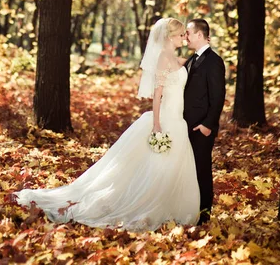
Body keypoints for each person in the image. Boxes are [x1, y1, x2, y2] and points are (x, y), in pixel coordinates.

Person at [14, 18, 200, 231]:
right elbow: (157, 95)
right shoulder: (162, 59)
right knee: (157, 165)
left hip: (179, 121)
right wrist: (157, 124)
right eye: (179, 35)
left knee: (173, 166)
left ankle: (171, 206)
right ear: (169, 37)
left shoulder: (176, 58)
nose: (183, 39)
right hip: (166, 119)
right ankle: (144, 204)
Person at [183, 19, 226, 224]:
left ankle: (204, 216)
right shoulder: (192, 59)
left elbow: (218, 97)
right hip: (186, 126)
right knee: (189, 170)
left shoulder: (214, 61)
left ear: (199, 34)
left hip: (202, 128)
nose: (186, 37)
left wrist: (208, 125)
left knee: (202, 171)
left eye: (188, 33)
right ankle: (191, 210)